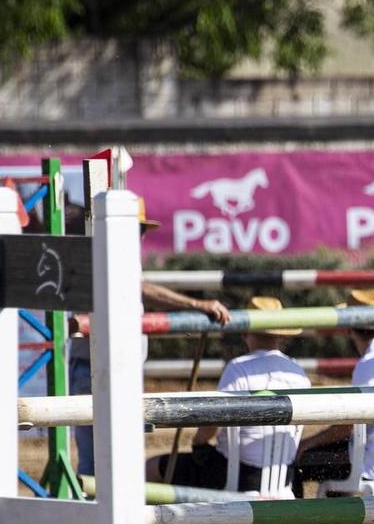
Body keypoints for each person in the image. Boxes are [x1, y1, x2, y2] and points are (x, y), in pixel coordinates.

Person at [59, 196, 230, 480]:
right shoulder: (105, 257)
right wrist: (196, 305)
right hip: (98, 368)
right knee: (104, 464)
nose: (139, 237)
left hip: (105, 366)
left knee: (106, 462)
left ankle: (98, 518)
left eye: (140, 232)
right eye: (136, 230)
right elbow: (141, 289)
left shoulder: (106, 253)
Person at [145, 296, 308, 494]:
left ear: (246, 332)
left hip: (234, 475)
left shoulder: (238, 368)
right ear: (282, 335)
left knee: (151, 468)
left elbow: (213, 424)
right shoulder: (298, 371)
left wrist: (199, 441)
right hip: (283, 480)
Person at [292, 289, 374, 497]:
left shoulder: (368, 365)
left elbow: (348, 426)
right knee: (337, 459)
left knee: (297, 460)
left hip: (371, 466)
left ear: (349, 328)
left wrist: (308, 442)